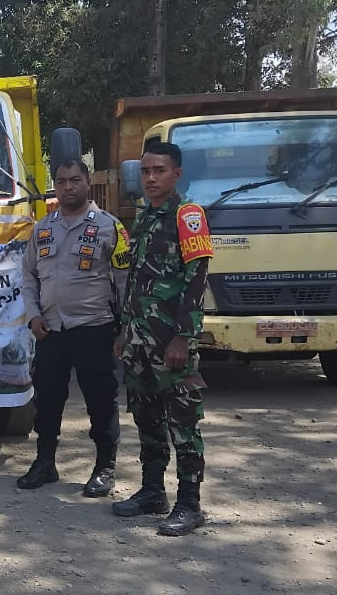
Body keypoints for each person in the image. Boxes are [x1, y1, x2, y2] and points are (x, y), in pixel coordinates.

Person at [112, 141, 214, 536]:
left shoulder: (188, 216)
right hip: (140, 342)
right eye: (146, 171)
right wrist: (124, 331)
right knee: (147, 419)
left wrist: (183, 338)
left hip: (171, 344)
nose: (150, 178)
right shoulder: (145, 218)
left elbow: (196, 279)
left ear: (176, 175)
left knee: (183, 424)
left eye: (159, 171)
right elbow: (136, 283)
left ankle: (190, 504)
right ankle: (153, 491)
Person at [18, 158, 132, 496]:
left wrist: (126, 329)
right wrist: (32, 314)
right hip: (50, 329)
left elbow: (126, 281)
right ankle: (45, 463)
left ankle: (104, 467)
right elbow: (28, 275)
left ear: (87, 184)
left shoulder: (111, 227)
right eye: (62, 181)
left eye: (75, 180)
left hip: (94, 327)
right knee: (48, 399)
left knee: (101, 399)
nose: (68, 187)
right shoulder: (43, 228)